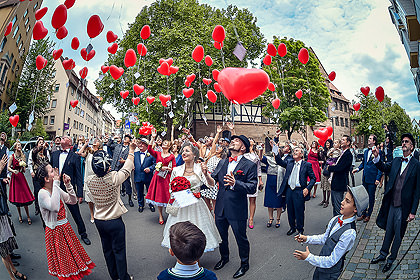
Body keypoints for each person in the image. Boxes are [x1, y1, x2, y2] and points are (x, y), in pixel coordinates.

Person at [293, 185, 369, 280]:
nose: (342, 202)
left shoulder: (349, 233)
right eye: (344, 199)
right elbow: (325, 238)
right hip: (320, 266)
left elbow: (332, 260)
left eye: (347, 201)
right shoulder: (335, 219)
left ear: (355, 209)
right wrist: (307, 239)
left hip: (330, 273)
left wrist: (309, 257)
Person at [370, 133, 420, 273]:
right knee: (388, 231)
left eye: (407, 142)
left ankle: (391, 259)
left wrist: (413, 212)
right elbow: (384, 167)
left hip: (404, 207)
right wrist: (376, 156)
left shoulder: (417, 165)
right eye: (403, 141)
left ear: (412, 146)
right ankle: (383, 254)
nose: (403, 143)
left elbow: (417, 191)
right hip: (391, 203)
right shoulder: (397, 160)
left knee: (398, 234)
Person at [87, 139, 136, 280]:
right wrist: (131, 151)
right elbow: (127, 168)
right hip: (114, 221)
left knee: (107, 251)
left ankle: (114, 277)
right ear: (108, 166)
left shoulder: (89, 180)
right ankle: (124, 278)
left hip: (99, 220)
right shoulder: (113, 178)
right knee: (119, 251)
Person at [37, 164, 95, 280]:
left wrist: (68, 185)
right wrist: (57, 183)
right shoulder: (42, 193)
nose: (56, 172)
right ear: (47, 179)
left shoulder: (56, 187)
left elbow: (72, 201)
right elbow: (54, 207)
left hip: (65, 227)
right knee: (64, 259)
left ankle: (73, 275)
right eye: (52, 171)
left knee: (72, 255)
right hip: (55, 231)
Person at [211, 135, 257, 279]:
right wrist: (204, 173)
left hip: (237, 209)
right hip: (220, 207)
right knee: (221, 237)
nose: (232, 142)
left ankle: (244, 264)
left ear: (243, 147)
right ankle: (224, 258)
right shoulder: (223, 162)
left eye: (236, 141)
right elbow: (213, 178)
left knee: (240, 238)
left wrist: (235, 184)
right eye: (232, 140)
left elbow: (252, 187)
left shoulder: (249, 165)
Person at [162, 143, 221, 252]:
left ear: (194, 154)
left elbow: (211, 184)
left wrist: (206, 174)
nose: (184, 153)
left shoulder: (200, 168)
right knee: (179, 232)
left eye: (187, 151)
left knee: (197, 230)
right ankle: (180, 255)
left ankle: (195, 256)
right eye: (183, 151)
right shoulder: (177, 170)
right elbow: (171, 188)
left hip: (196, 204)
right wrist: (178, 192)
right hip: (180, 204)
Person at [50, 136, 90, 245]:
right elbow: (49, 171)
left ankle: (83, 233)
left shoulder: (75, 156)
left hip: (69, 190)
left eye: (65, 137)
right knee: (53, 211)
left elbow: (78, 176)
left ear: (69, 142)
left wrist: (79, 193)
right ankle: (52, 234)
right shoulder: (54, 154)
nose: (62, 138)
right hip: (55, 188)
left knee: (75, 212)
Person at [275, 147, 316, 235]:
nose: (294, 152)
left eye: (297, 151)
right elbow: (279, 162)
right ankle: (292, 227)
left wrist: (308, 188)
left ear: (301, 154)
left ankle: (300, 230)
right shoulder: (289, 162)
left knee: (299, 211)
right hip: (289, 190)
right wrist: (275, 150)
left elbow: (313, 178)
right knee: (290, 211)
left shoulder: (306, 165)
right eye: (294, 151)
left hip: (299, 191)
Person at [0, 154, 28, 280]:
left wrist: (2, 179)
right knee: (3, 250)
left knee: (6, 248)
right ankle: (12, 276)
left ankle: (14, 271)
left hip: (2, 212)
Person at [146, 129, 176, 224]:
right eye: (163, 142)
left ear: (169, 146)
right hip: (158, 177)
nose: (163, 143)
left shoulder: (171, 156)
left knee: (167, 196)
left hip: (167, 178)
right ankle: (160, 215)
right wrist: (153, 138)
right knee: (159, 196)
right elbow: (149, 149)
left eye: (166, 143)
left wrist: (167, 168)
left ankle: (171, 215)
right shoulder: (158, 153)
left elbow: (174, 169)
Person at [352, 134, 383, 223]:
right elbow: (363, 163)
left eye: (370, 139)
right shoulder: (366, 151)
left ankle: (369, 214)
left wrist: (378, 178)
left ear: (374, 141)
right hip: (365, 178)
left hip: (373, 179)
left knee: (371, 197)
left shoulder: (378, 151)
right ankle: (363, 213)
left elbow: (380, 166)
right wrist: (357, 169)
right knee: (364, 197)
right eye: (368, 138)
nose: (368, 140)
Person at [262, 141, 290, 228]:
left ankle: (278, 219)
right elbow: (260, 158)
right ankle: (270, 218)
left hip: (279, 183)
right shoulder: (269, 160)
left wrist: (275, 147)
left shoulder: (283, 161)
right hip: (270, 182)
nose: (274, 154)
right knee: (269, 202)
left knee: (279, 203)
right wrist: (261, 149)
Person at [7, 141, 34, 224]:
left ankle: (28, 216)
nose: (20, 146)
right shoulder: (12, 157)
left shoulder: (23, 156)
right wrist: (13, 171)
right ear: (15, 147)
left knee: (25, 196)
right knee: (17, 198)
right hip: (15, 177)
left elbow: (24, 170)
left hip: (21, 176)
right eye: (18, 145)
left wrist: (23, 166)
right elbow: (8, 167)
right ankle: (19, 215)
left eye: (20, 145)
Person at [327, 135, 353, 217]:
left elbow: (340, 168)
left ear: (348, 142)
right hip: (336, 183)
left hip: (339, 184)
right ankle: (335, 222)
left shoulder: (348, 154)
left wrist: (330, 167)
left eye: (343, 140)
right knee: (335, 205)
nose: (341, 141)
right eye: (341, 140)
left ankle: (339, 224)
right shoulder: (342, 153)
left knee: (338, 207)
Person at [244, 138, 263, 229]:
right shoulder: (243, 152)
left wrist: (260, 179)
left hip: (253, 178)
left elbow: (258, 167)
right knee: (242, 199)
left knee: (252, 200)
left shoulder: (255, 154)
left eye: (252, 140)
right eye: (249, 140)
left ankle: (251, 218)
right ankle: (242, 217)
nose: (250, 140)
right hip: (244, 178)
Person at [28, 137, 50, 217]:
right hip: (36, 173)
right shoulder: (33, 151)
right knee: (37, 191)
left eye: (42, 142)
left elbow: (48, 162)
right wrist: (31, 171)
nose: (41, 143)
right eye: (40, 142)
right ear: (37, 144)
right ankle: (37, 207)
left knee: (45, 190)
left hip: (44, 174)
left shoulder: (45, 151)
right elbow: (30, 162)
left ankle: (45, 206)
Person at [111, 135, 134, 207]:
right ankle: (113, 200)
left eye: (127, 138)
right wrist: (113, 138)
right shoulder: (118, 146)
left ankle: (130, 199)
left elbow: (132, 158)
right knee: (114, 184)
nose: (125, 138)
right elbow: (109, 144)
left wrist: (124, 161)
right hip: (115, 167)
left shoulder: (130, 149)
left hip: (124, 168)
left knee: (127, 184)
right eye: (124, 137)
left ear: (129, 141)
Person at [134, 138, 156, 213]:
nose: (140, 145)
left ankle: (151, 204)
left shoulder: (151, 154)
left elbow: (155, 164)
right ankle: (140, 205)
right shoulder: (135, 154)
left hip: (148, 176)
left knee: (149, 191)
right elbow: (131, 162)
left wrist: (150, 168)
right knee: (139, 192)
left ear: (146, 145)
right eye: (139, 143)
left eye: (142, 143)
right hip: (138, 176)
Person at [83, 138, 102, 223]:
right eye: (94, 140)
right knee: (89, 198)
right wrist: (85, 144)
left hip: (97, 178)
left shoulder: (101, 153)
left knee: (98, 197)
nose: (95, 141)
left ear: (99, 144)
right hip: (88, 177)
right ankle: (92, 214)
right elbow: (79, 153)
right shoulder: (88, 151)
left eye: (97, 141)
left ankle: (98, 213)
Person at [319, 139, 333, 208]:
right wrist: (321, 152)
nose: (327, 144)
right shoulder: (324, 150)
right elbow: (322, 159)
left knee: (328, 186)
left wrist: (324, 152)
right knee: (323, 185)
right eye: (326, 143)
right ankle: (324, 199)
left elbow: (330, 159)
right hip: (324, 168)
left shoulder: (332, 150)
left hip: (329, 169)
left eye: (328, 143)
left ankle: (327, 201)